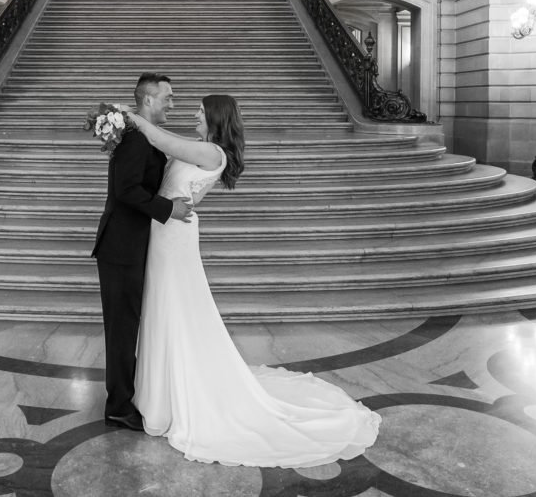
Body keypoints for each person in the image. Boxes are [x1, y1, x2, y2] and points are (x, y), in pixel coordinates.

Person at [126, 95, 381, 467]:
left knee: (175, 305)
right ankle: (162, 391)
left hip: (174, 238)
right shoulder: (201, 147)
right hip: (163, 230)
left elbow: (162, 141)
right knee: (165, 306)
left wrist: (129, 117)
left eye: (200, 110)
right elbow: (165, 147)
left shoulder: (214, 154)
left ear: (215, 118)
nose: (194, 114)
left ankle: (173, 394)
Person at [91, 73, 193, 431]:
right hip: (120, 248)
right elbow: (126, 191)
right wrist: (169, 210)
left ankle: (124, 395)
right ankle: (118, 406)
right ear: (148, 100)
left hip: (129, 244)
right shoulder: (135, 140)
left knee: (126, 325)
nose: (172, 104)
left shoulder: (142, 137)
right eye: (168, 97)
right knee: (121, 329)